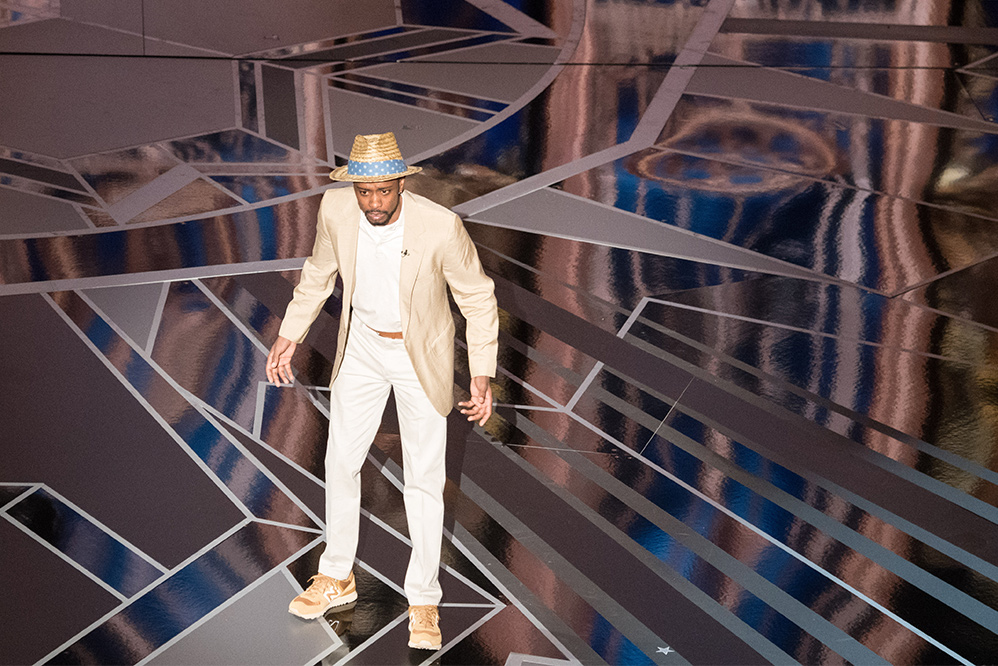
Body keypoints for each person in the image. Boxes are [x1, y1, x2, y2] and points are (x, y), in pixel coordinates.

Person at [265, 132, 498, 651]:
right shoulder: (335, 208)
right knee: (340, 462)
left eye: (383, 192)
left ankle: (423, 598)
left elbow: (478, 298)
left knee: (423, 480)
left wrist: (481, 373)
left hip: (419, 357)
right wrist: (289, 334)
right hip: (363, 350)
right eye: (364, 192)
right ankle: (336, 576)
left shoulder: (440, 227)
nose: (372, 202)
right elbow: (317, 274)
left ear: (400, 185)